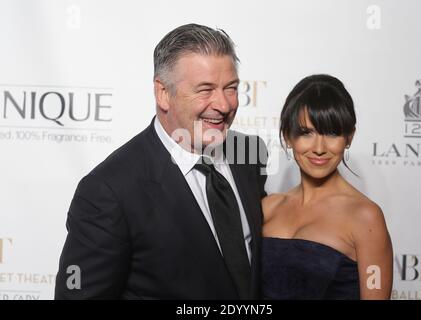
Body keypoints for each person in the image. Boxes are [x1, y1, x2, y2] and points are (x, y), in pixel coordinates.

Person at [55, 23, 267, 299]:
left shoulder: (249, 153)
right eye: (205, 90)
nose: (224, 105)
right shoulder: (109, 191)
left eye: (231, 88)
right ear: (163, 93)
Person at [261, 74, 393, 300]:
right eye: (306, 133)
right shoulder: (268, 207)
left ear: (349, 137)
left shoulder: (366, 218)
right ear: (287, 136)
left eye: (332, 133)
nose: (319, 148)